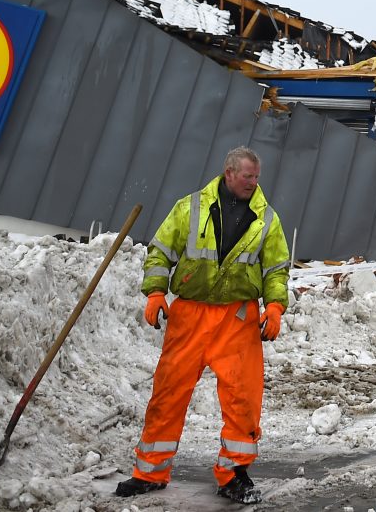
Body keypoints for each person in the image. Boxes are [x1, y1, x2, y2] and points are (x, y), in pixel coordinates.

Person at [115, 146, 290, 505]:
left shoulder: (267, 219)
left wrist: (274, 306)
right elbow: (161, 251)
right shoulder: (189, 208)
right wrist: (154, 292)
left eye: (257, 177)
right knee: (168, 394)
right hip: (189, 316)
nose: (254, 183)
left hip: (237, 320)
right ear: (229, 173)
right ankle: (149, 471)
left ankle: (234, 474)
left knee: (243, 398)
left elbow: (276, 269)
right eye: (247, 177)